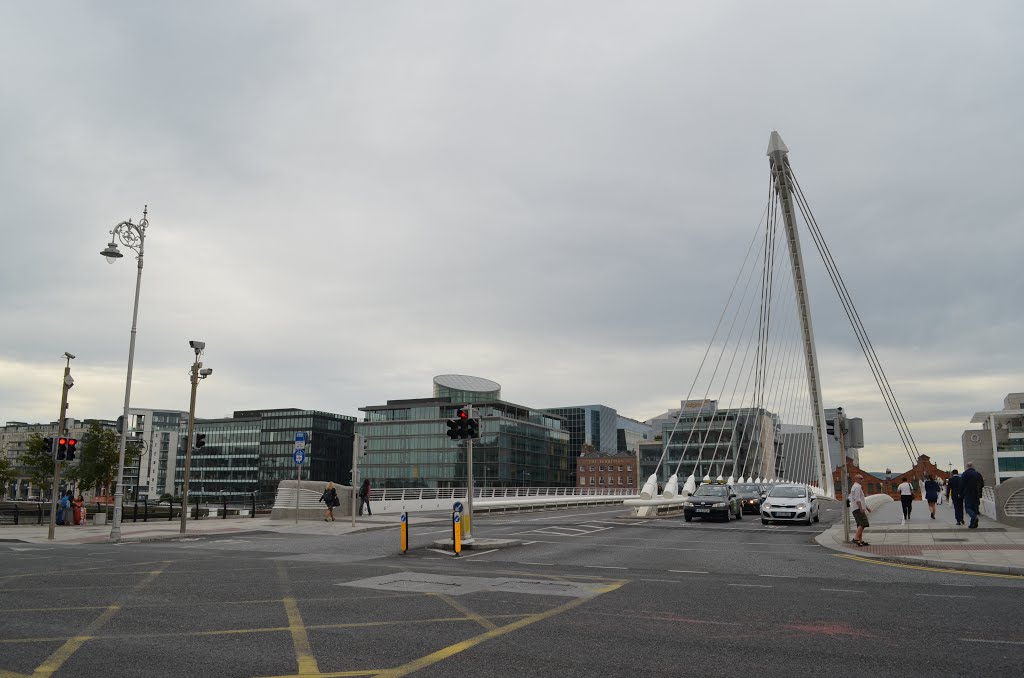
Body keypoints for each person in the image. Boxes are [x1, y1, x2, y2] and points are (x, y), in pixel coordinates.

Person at [849, 473, 871, 546]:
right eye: (860, 478)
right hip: (858, 508)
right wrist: (861, 508)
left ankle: (860, 541)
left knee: (860, 524)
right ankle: (856, 539)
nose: (862, 480)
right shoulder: (857, 487)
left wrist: (866, 507)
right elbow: (857, 499)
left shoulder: (855, 486)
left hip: (856, 508)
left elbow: (861, 499)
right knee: (864, 523)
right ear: (856, 479)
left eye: (862, 478)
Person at [960, 462, 984, 529]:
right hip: (977, 494)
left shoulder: (965, 474)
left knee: (968, 508)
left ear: (967, 467)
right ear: (973, 466)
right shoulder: (978, 474)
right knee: (974, 508)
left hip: (968, 494)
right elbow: (982, 484)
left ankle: (974, 518)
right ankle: (972, 524)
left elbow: (962, 485)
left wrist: (961, 494)